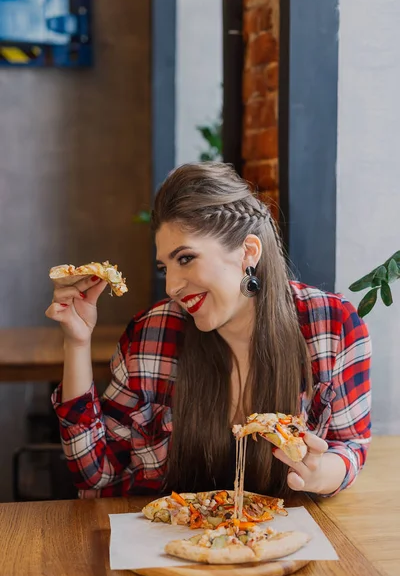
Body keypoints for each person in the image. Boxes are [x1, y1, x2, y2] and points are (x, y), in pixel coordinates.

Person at [45, 162, 371, 500]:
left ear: (248, 252)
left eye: (185, 259)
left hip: (287, 542)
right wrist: (77, 341)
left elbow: (350, 445)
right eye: (164, 267)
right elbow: (95, 474)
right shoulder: (152, 334)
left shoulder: (333, 325)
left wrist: (319, 474)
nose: (171, 286)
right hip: (166, 543)